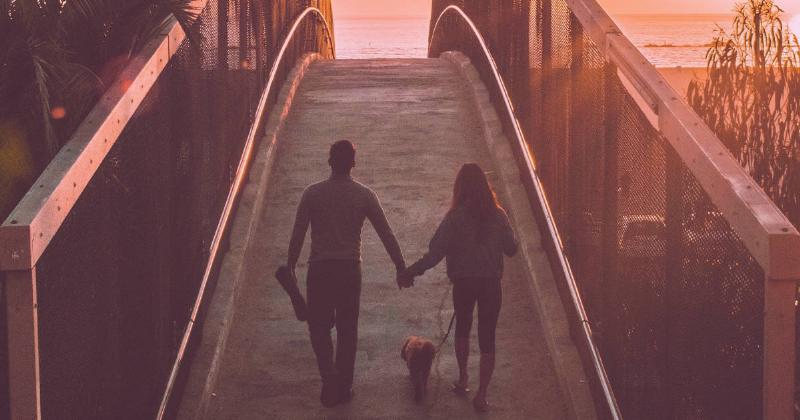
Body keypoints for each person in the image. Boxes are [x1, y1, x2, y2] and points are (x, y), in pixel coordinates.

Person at [285, 140, 407, 407]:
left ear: (329, 162)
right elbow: (386, 234)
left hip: (319, 269)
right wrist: (400, 266)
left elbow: (297, 235)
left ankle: (328, 376)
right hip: (350, 270)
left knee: (319, 327)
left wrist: (291, 266)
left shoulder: (312, 194)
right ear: (353, 163)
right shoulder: (364, 195)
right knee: (347, 330)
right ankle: (343, 387)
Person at [401, 163, 518, 412]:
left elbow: (435, 253)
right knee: (488, 338)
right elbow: (512, 249)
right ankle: (482, 395)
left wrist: (411, 271)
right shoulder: (498, 215)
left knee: (463, 329)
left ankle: (463, 378)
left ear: (460, 188)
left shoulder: (454, 218)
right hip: (490, 284)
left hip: (464, 282)